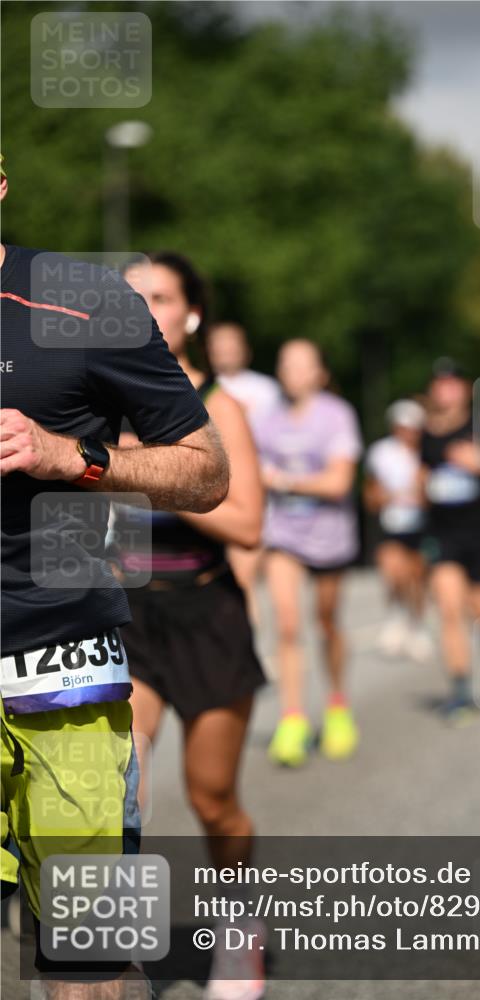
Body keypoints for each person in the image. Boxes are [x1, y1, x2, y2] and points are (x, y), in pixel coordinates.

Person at [0, 160, 228, 998]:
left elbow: (208, 476)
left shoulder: (81, 303)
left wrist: (73, 458)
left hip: (60, 665)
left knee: (85, 961)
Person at [116, 253, 266, 1000]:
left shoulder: (219, 405)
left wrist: (158, 473)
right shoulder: (97, 397)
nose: (145, 309)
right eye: (132, 296)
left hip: (205, 615)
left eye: (162, 297)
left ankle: (240, 931)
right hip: (127, 616)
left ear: (191, 316)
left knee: (212, 799)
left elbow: (246, 521)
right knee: (123, 786)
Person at [255, 340, 362, 767]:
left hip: (331, 537)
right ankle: (293, 718)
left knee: (327, 623)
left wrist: (282, 481)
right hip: (283, 535)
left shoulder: (337, 415)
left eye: (302, 365)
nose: (292, 372)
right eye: (285, 363)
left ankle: (337, 704)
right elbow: (252, 474)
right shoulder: (266, 420)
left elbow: (339, 482)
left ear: (320, 373)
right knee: (286, 623)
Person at [419, 359, 480, 721]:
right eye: (439, 383)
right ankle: (460, 691)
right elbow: (423, 479)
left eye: (452, 383)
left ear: (464, 389)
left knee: (477, 607)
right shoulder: (426, 433)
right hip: (441, 534)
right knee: (448, 607)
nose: (445, 389)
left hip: (478, 535)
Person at [206, 322, 280, 612]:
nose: (225, 350)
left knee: (242, 580)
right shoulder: (195, 384)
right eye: (218, 344)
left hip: (252, 490)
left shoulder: (266, 390)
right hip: (210, 491)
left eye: (231, 344)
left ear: (244, 350)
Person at [364, 399, 432, 661]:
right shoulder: (381, 452)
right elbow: (372, 491)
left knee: (416, 577)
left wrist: (422, 493)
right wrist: (382, 498)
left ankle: (416, 623)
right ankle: (396, 616)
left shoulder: (427, 452)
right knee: (393, 572)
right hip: (392, 522)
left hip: (421, 524)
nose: (408, 432)